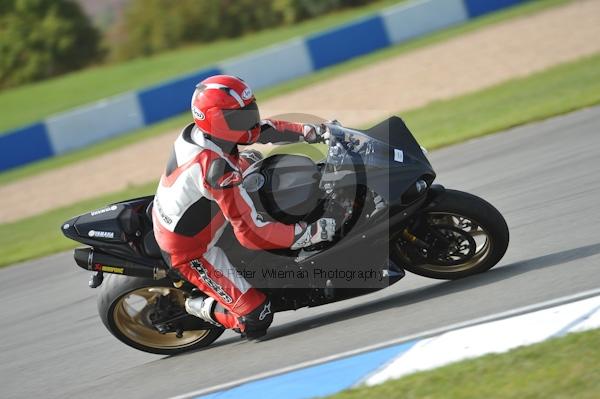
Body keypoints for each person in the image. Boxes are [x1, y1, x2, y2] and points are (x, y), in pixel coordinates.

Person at [152, 75, 335, 339]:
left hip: (199, 208)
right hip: (191, 250)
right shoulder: (216, 169)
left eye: (249, 111)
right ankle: (194, 306)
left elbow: (263, 130)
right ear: (215, 120)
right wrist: (310, 233)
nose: (249, 122)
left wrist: (316, 131)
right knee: (256, 318)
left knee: (258, 164)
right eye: (239, 117)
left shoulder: (209, 133)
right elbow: (251, 234)